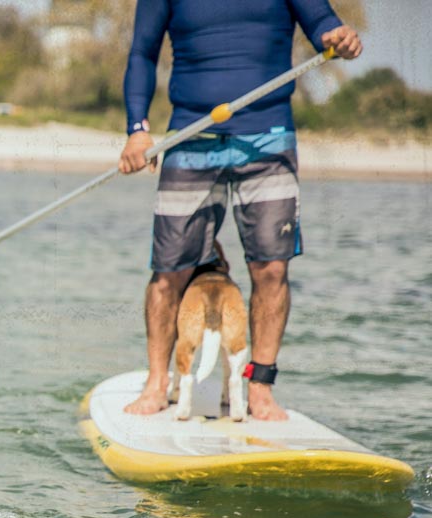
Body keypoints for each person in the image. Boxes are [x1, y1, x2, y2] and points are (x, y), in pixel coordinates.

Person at [118, 0, 361, 421]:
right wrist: (137, 131)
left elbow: (323, 22)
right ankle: (158, 382)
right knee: (168, 271)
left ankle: (259, 388)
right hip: (191, 135)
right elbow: (142, 52)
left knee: (271, 269)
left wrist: (338, 37)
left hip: (269, 136)